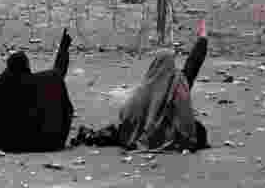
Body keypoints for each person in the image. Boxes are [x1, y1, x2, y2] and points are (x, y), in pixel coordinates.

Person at [73, 35, 209, 152]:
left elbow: (125, 115)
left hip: (138, 134)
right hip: (166, 135)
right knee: (198, 130)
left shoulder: (143, 89)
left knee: (116, 131)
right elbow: (185, 120)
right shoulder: (176, 87)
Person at [0, 29, 74, 153]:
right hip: (43, 144)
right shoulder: (40, 83)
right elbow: (58, 73)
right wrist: (64, 49)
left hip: (0, 144)